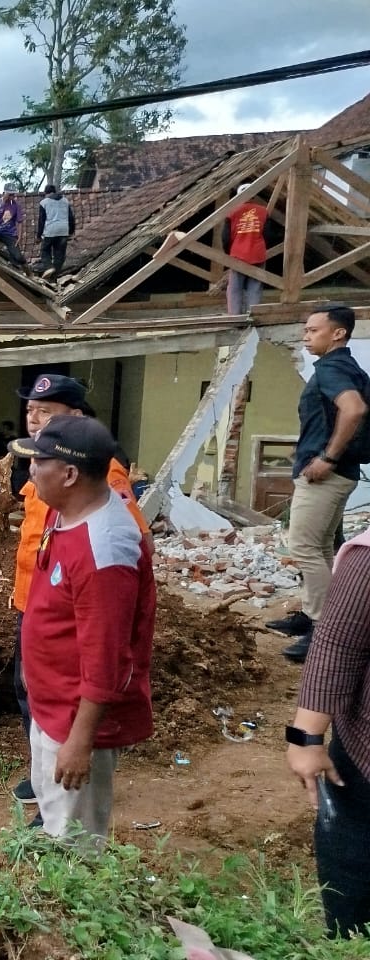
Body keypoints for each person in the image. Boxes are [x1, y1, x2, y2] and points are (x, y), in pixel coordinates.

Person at [7, 374, 150, 813]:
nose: (31, 471)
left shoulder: (104, 550)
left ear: (70, 474)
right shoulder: (65, 509)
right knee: (55, 819)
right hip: (51, 700)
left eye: (39, 462)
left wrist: (80, 741)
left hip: (72, 715)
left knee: (73, 840)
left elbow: (106, 658)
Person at [286, 525, 370, 938]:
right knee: (354, 873)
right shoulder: (367, 560)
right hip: (364, 756)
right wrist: (306, 738)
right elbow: (338, 644)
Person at [271, 305, 368, 664]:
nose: (306, 336)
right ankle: (316, 616)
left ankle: (325, 629)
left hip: (327, 474)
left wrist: (328, 456)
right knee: (323, 547)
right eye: (306, 330)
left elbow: (353, 409)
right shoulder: (346, 366)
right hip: (340, 473)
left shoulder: (332, 367)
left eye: (313, 330)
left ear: (338, 333)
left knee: (303, 546)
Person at [222, 184, 270, 315]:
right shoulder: (263, 211)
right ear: (253, 195)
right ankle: (252, 316)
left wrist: (228, 253)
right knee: (255, 287)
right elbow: (267, 235)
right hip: (257, 254)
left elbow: (225, 237)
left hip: (238, 254)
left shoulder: (232, 212)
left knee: (235, 288)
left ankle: (235, 316)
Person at [36, 184, 75, 280]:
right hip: (63, 231)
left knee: (45, 251)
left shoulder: (44, 202)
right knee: (60, 255)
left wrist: (38, 236)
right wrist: (71, 231)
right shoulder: (65, 201)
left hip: (50, 231)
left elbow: (41, 221)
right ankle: (53, 278)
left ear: (46, 193)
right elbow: (71, 217)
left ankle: (49, 267)